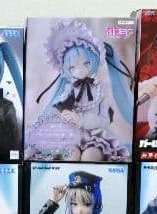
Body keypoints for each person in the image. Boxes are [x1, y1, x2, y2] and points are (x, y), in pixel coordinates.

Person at [25, 19, 132, 161]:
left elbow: (105, 119)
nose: (80, 71)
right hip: (70, 137)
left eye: (86, 64)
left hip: (95, 136)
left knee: (91, 155)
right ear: (66, 69)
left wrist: (83, 121)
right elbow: (59, 111)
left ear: (94, 61)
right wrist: (65, 115)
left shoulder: (98, 91)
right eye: (72, 68)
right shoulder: (67, 91)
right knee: (72, 155)